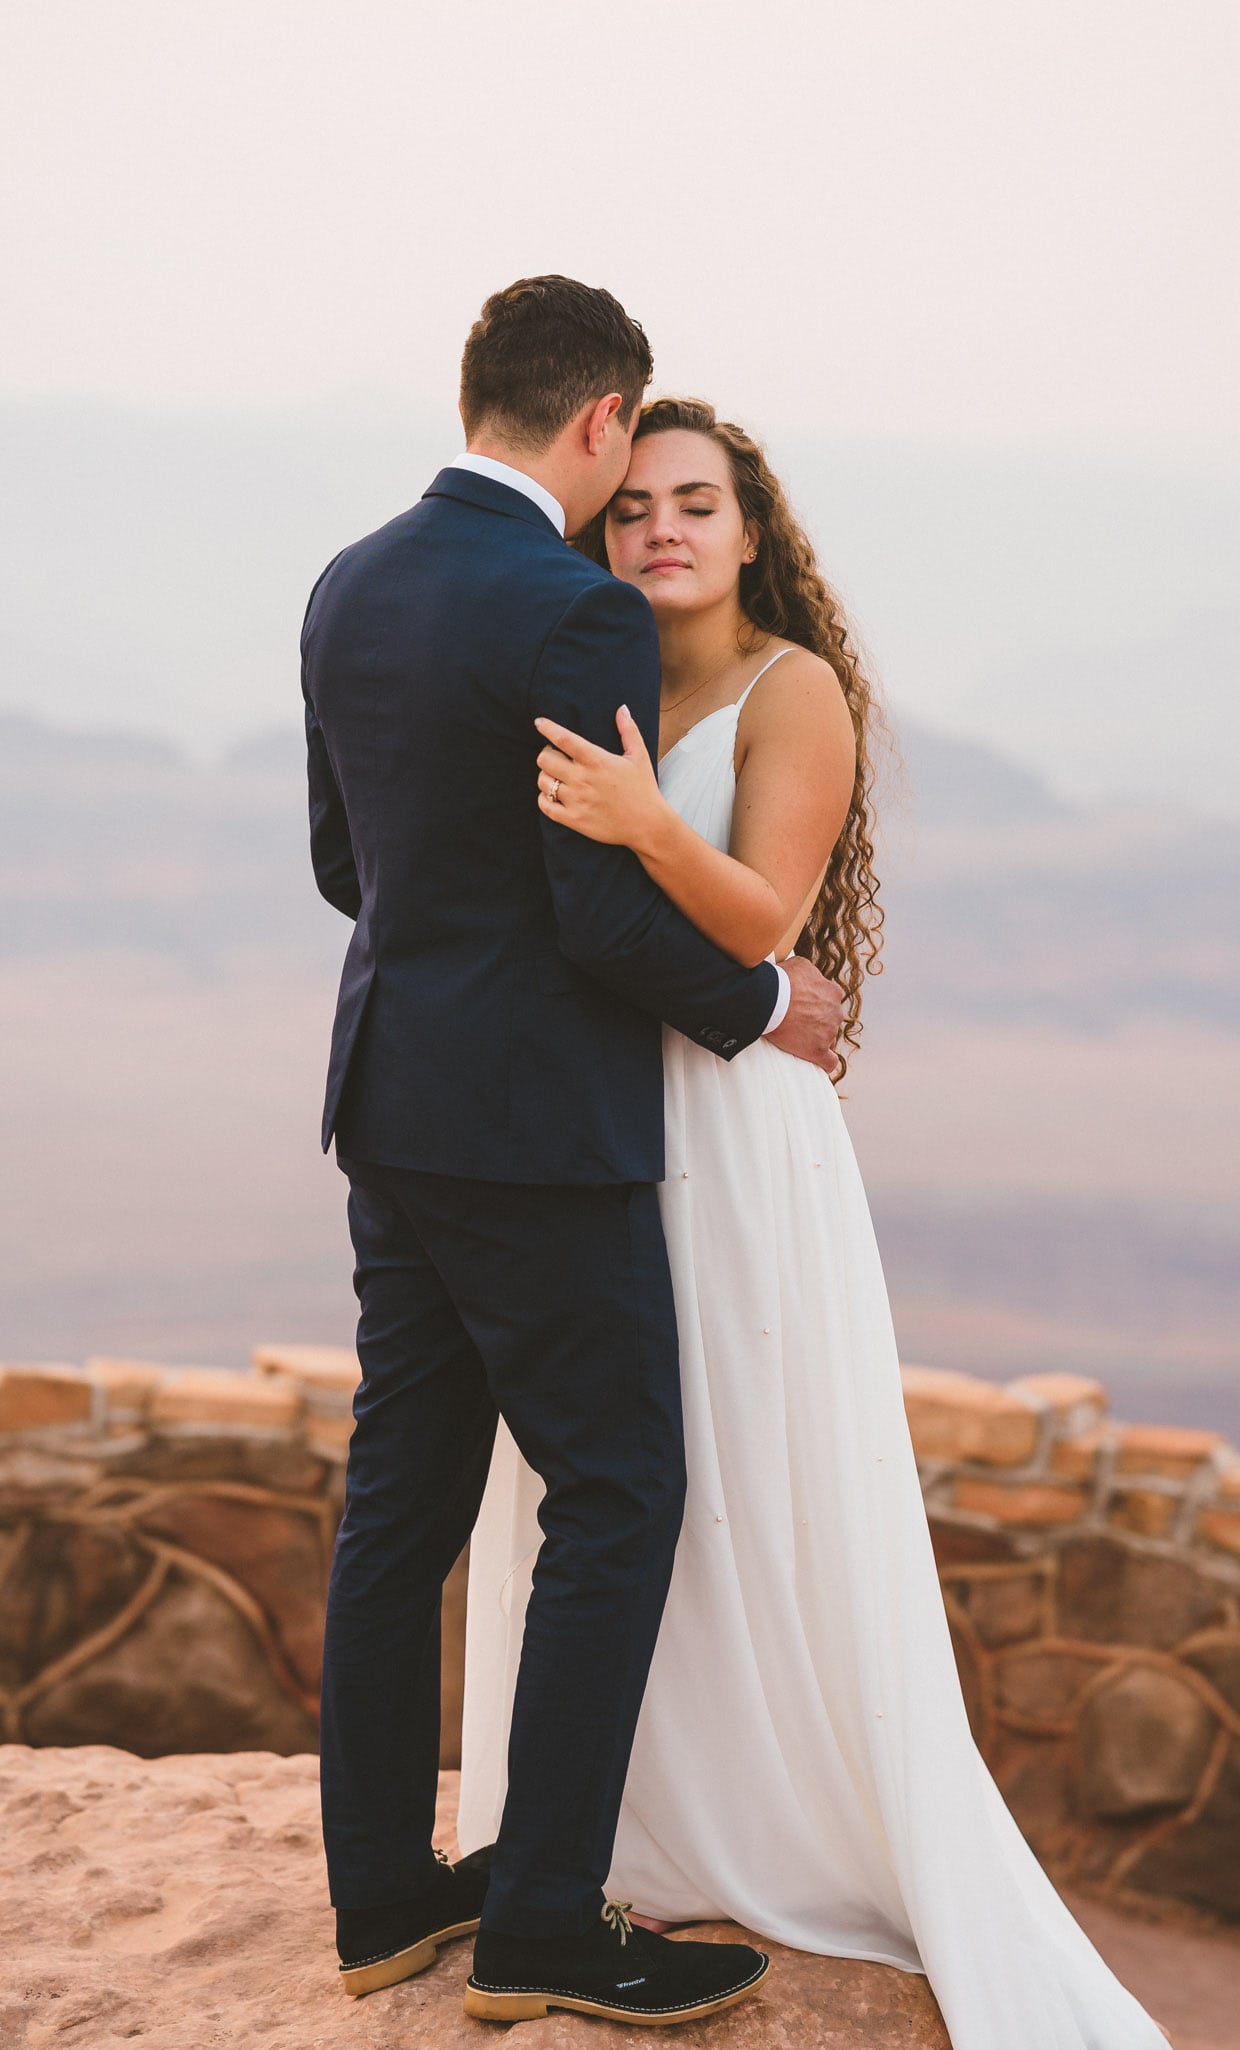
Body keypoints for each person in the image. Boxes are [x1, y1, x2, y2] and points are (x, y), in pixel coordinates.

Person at [459, 398, 1172, 2049]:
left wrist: (644, 822)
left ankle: (780, 1820)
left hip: (738, 1123)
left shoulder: (796, 692)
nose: (663, 532)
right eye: (633, 506)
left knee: (745, 1456)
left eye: (697, 503)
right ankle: (622, 1819)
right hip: (601, 1112)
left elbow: (767, 917)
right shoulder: (598, 664)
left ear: (752, 526)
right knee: (625, 1470)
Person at [301, 281, 846, 2027]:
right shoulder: (572, 613)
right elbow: (606, 925)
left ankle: (383, 1896)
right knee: (620, 1494)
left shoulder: (348, 582)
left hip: (392, 1107)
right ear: (603, 417)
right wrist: (765, 1009)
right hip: (540, 1133)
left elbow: (347, 866)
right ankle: (542, 1921)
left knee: (402, 1504)